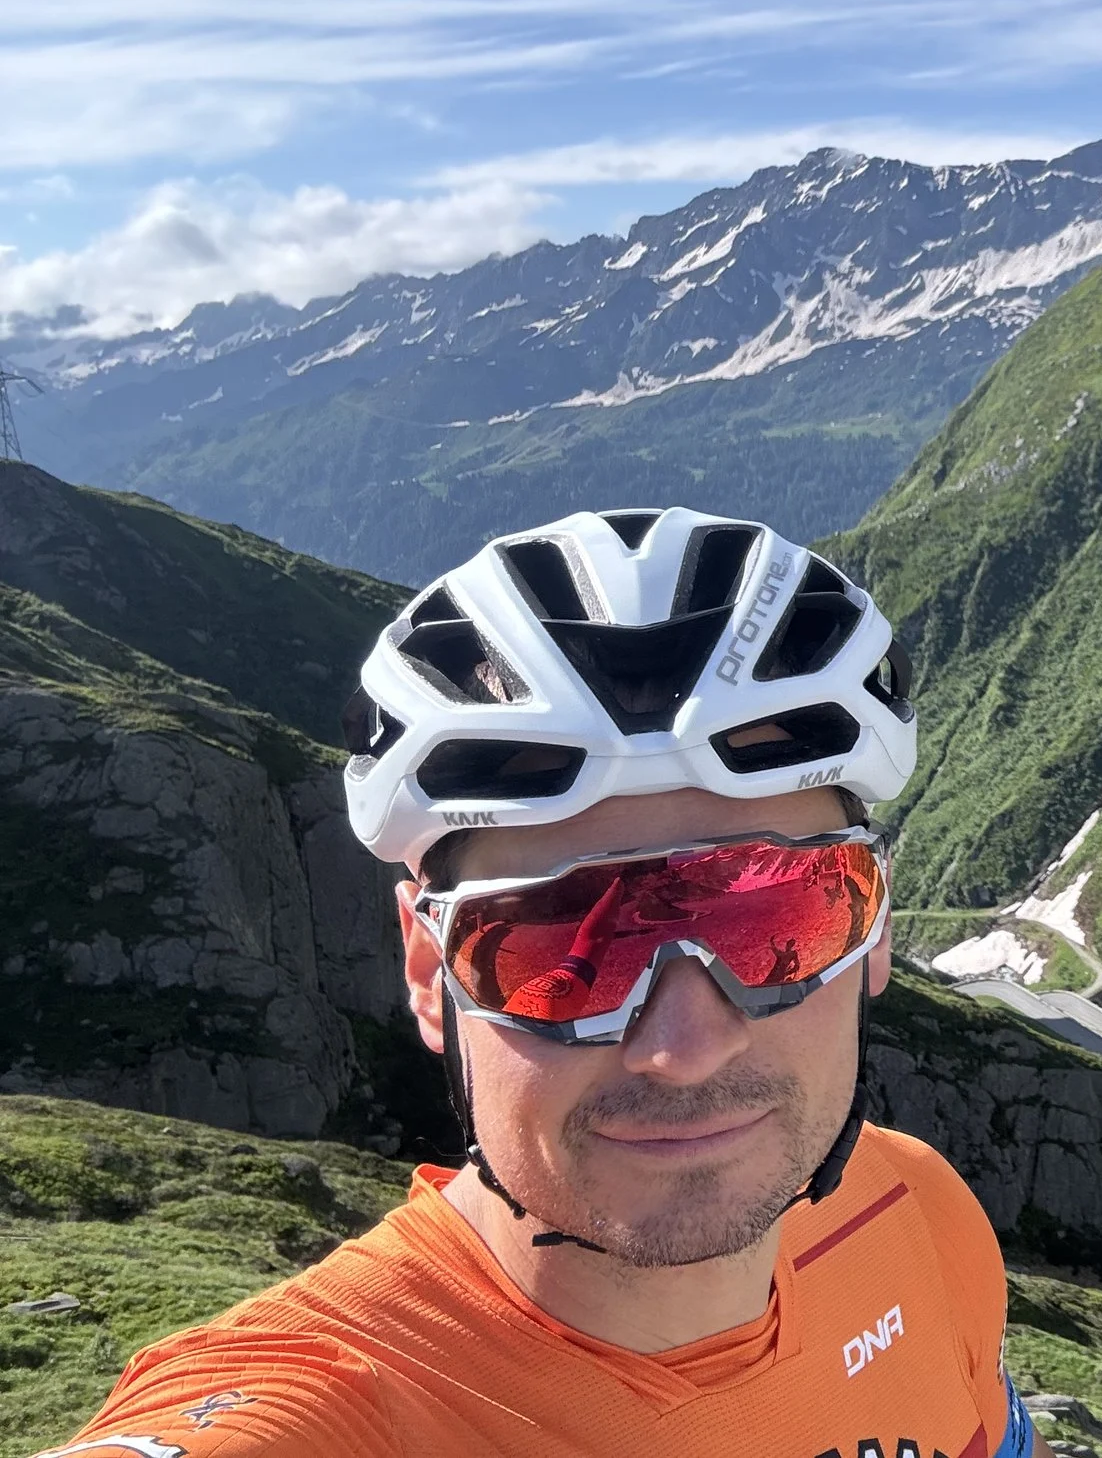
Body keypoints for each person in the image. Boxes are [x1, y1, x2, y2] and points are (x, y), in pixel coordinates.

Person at [51, 508, 1051, 1458]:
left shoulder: (915, 1211)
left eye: (774, 915)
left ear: (872, 927)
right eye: (555, 943)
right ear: (425, 968)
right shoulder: (333, 1408)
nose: (682, 1046)